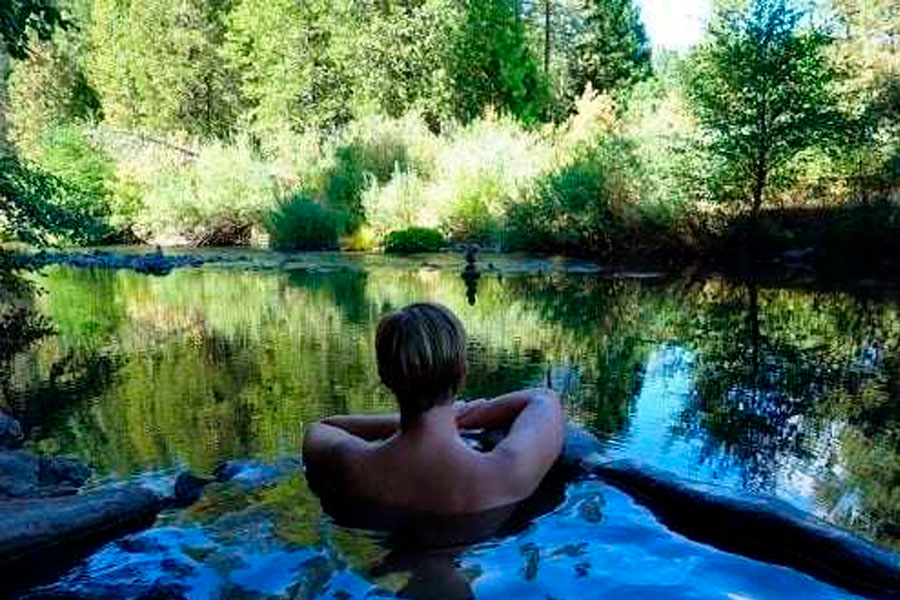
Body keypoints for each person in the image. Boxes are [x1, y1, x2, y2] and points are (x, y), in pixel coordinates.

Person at [303, 302, 564, 515]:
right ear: (462, 372)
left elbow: (323, 427)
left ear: (385, 377)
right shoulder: (506, 470)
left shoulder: (351, 465)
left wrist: (408, 421)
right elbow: (543, 399)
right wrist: (461, 417)